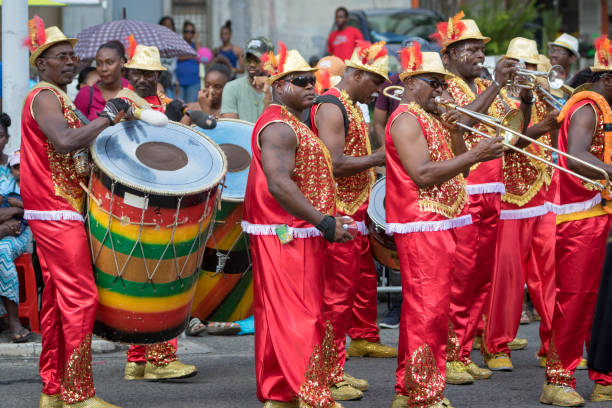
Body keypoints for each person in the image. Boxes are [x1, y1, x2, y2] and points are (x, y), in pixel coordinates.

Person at [387, 43, 504, 408]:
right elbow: (422, 175)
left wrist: (456, 134)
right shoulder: (405, 117)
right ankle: (424, 394)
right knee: (429, 314)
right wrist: (477, 152)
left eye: (443, 85)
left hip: (442, 222)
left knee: (424, 312)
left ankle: (408, 391)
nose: (442, 91)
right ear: (411, 81)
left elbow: (461, 170)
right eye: (435, 84)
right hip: (422, 224)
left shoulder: (430, 118)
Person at [22, 17, 127, 408]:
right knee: (82, 297)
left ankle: (53, 390)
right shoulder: (45, 96)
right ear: (41, 63)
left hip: (60, 208)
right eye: (60, 57)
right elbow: (66, 142)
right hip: (54, 209)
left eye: (71, 56)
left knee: (56, 301)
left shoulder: (59, 96)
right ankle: (78, 393)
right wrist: (107, 117)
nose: (70, 61)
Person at [241, 41, 351, 408]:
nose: (310, 87)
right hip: (286, 233)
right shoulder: (279, 128)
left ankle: (280, 394)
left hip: (290, 230)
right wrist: (323, 222)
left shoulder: (289, 123)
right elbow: (280, 183)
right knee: (299, 314)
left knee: (280, 314)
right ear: (278, 86)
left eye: (312, 81)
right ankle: (311, 394)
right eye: (300, 81)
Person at [431, 12, 526, 380]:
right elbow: (464, 122)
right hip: (465, 191)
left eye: (480, 48)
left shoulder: (485, 83)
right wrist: (496, 87)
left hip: (494, 189)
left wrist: (525, 98)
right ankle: (449, 354)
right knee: (461, 276)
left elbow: (511, 131)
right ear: (449, 56)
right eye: (469, 48)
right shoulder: (441, 88)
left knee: (482, 279)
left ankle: (464, 349)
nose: (478, 55)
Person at [310, 40, 395, 402]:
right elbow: (334, 161)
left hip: (353, 214)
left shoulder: (350, 105)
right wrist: (378, 158)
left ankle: (335, 369)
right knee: (335, 300)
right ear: (355, 74)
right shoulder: (330, 105)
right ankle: (328, 374)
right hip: (337, 216)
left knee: (345, 298)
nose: (378, 89)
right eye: (374, 81)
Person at [117, 43, 197, 382]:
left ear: (159, 76)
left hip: (168, 197)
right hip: (138, 198)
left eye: (151, 73)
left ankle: (139, 361)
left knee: (158, 276)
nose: (145, 78)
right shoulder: (121, 105)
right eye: (139, 73)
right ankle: (155, 360)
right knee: (149, 278)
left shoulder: (169, 105)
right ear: (129, 74)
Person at [541, 34, 612, 407]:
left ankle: (598, 374)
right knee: (576, 298)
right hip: (581, 217)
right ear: (608, 78)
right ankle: (558, 378)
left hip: (601, 212)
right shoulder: (587, 107)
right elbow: (576, 156)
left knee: (600, 301)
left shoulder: (605, 106)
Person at [484, 38, 559, 372]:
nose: (526, 73)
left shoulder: (543, 96)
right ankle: (497, 345)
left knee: (549, 276)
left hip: (544, 195)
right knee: (508, 278)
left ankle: (555, 346)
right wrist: (541, 127)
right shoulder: (496, 99)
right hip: (511, 199)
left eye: (531, 66)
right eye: (519, 66)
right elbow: (503, 147)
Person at [0, 120, 33, 344]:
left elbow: (34, 204)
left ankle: (13, 321)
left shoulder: (16, 166)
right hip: (5, 226)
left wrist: (13, 212)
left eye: (1, 135)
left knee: (1, 252)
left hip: (17, 231)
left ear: (7, 138)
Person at [220, 37, 273, 123]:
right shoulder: (232, 88)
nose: (251, 64)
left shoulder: (276, 88)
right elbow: (231, 126)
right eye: (248, 59)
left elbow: (270, 128)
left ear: (268, 61)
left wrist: (268, 95)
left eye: (256, 60)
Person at [74, 41, 129, 121]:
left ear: (121, 62)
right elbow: (76, 129)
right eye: (99, 64)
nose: (103, 69)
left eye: (109, 63)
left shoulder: (132, 89)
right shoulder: (86, 93)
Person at [176, 21, 201, 103]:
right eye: (187, 31)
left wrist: (196, 39)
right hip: (179, 83)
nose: (189, 34)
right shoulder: (178, 44)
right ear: (183, 32)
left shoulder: (196, 45)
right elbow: (176, 57)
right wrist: (191, 55)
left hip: (193, 82)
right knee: (180, 108)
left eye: (192, 32)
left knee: (191, 108)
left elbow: (199, 56)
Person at [158, 16, 179, 98]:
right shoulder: (156, 42)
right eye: (165, 25)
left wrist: (176, 83)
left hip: (170, 83)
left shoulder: (175, 43)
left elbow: (174, 67)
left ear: (173, 27)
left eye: (169, 25)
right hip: (158, 80)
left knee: (170, 104)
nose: (167, 27)